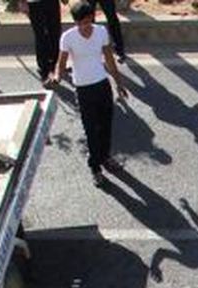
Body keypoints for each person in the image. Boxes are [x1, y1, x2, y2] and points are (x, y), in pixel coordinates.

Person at [47, 0, 129, 187]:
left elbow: (109, 60)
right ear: (75, 22)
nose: (84, 26)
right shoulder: (68, 37)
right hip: (83, 89)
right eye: (80, 23)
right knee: (91, 130)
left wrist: (119, 84)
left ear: (92, 17)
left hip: (102, 86)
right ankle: (95, 167)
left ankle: (106, 158)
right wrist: (57, 77)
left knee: (106, 126)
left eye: (87, 21)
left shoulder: (101, 32)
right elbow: (61, 64)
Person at [22, 0, 62, 81]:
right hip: (34, 3)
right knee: (41, 36)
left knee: (55, 33)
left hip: (52, 2)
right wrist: (22, 2)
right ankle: (44, 70)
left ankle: (55, 65)